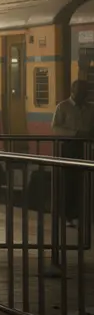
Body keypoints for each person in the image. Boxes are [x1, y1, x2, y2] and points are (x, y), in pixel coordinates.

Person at [52, 79, 94, 227]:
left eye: (85, 92)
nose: (83, 94)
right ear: (73, 91)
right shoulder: (62, 107)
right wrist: (75, 133)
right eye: (80, 91)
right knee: (69, 183)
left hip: (87, 148)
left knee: (85, 183)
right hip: (69, 148)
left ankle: (83, 214)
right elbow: (55, 128)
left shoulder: (90, 109)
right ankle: (69, 215)